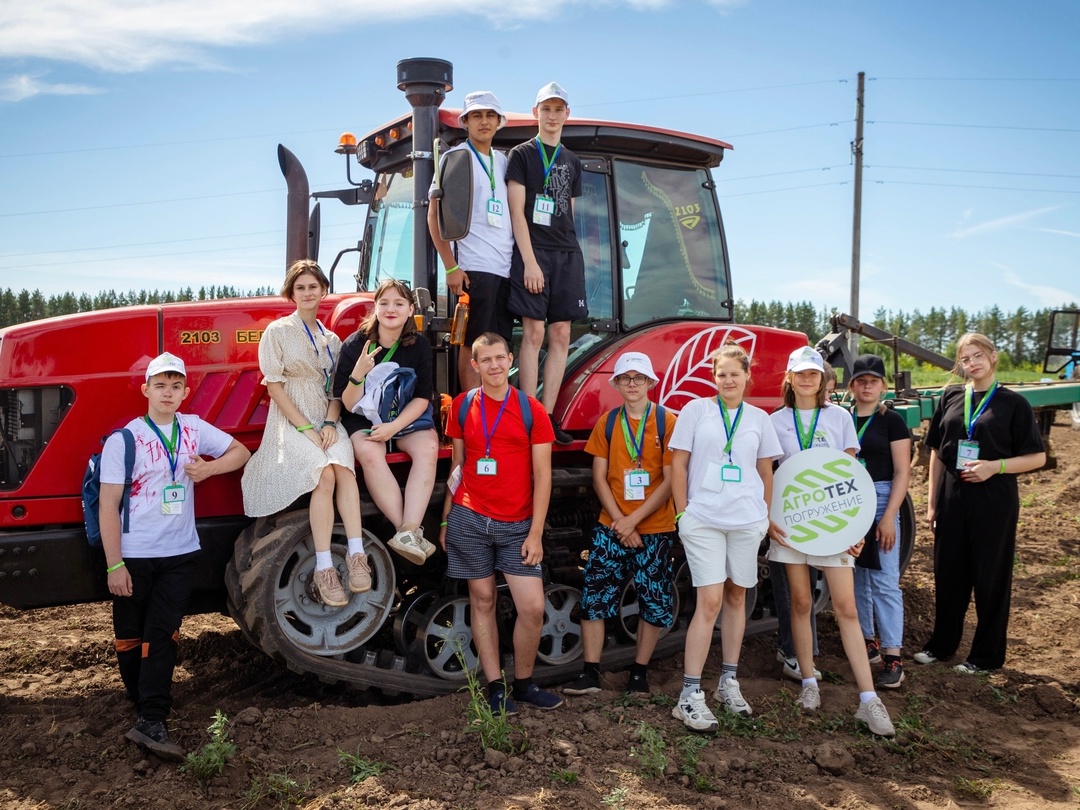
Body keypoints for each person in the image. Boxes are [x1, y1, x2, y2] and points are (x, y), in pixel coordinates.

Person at [102, 352, 250, 760]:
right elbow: (107, 504)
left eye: (176, 386)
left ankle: (152, 717)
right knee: (130, 638)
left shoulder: (193, 429)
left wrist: (211, 469)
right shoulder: (125, 440)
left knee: (162, 634)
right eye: (160, 386)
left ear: (185, 393)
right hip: (134, 556)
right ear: (146, 389)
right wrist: (115, 564)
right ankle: (141, 698)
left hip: (180, 553)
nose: (168, 393)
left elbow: (241, 452)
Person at [769, 346, 896, 737]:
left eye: (814, 374)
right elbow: (768, 474)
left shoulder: (839, 417)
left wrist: (856, 528)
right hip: (792, 524)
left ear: (824, 380)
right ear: (789, 378)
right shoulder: (774, 421)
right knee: (801, 602)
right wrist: (770, 519)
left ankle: (869, 699)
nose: (807, 380)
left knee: (846, 608)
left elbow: (852, 475)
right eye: (800, 373)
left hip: (834, 525)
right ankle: (809, 684)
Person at [440, 332, 563, 714]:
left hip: (517, 525)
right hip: (470, 518)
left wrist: (536, 532)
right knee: (483, 600)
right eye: (485, 360)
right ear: (474, 366)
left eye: (499, 357)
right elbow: (457, 468)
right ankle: (496, 687)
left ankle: (524, 683)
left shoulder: (532, 410)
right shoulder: (461, 406)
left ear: (511, 359)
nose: (494, 365)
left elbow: (543, 476)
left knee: (532, 607)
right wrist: (446, 519)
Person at [669, 344, 783, 732]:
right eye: (721, 374)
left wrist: (764, 515)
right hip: (703, 518)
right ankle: (688, 694)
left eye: (735, 373)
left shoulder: (758, 418)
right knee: (710, 598)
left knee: (738, 595)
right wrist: (683, 513)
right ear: (713, 377)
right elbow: (678, 464)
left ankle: (728, 682)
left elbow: (765, 471)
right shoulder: (695, 411)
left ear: (747, 376)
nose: (728, 380)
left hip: (746, 520)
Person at [242, 259, 368, 607]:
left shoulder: (332, 339)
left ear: (323, 291)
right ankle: (324, 568)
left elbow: (335, 390)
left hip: (324, 416)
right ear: (291, 293)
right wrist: (306, 429)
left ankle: (358, 557)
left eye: (314, 286)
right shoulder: (277, 332)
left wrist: (329, 423)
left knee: (345, 468)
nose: (308, 292)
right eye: (301, 288)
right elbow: (275, 388)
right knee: (324, 473)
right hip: (291, 419)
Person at [916, 334, 1045, 673]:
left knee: (990, 577)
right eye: (965, 359)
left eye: (977, 356)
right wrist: (932, 503)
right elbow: (937, 453)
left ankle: (985, 657)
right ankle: (941, 646)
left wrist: (994, 467)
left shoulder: (1013, 403)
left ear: (992, 357)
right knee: (948, 575)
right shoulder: (951, 397)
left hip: (993, 499)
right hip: (952, 498)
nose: (972, 363)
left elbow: (1037, 457)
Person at [563, 352, 677, 698]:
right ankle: (590, 672)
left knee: (653, 601)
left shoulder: (668, 421)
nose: (632, 384)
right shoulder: (608, 422)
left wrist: (632, 522)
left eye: (638, 378)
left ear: (649, 383)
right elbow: (599, 478)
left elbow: (670, 481)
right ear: (617, 384)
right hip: (611, 527)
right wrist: (619, 522)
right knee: (595, 597)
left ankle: (639, 674)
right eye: (625, 378)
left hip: (653, 529)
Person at [335, 278, 438, 566]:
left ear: (409, 310)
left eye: (399, 303)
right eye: (384, 303)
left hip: (402, 415)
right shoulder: (356, 344)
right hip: (363, 417)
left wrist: (393, 427)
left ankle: (409, 530)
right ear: (375, 308)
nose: (391, 309)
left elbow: (421, 397)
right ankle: (404, 530)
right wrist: (358, 373)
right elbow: (346, 402)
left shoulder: (418, 346)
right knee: (368, 452)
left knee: (428, 449)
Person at [506, 81, 586, 445]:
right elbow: (517, 214)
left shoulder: (572, 161)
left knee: (561, 334)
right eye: (546, 109)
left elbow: (568, 212)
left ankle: (548, 417)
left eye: (559, 109)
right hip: (534, 253)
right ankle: (527, 415)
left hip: (566, 255)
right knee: (533, 332)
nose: (552, 115)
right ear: (535, 113)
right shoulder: (521, 155)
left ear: (566, 114)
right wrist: (529, 262)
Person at [428, 90, 515, 390]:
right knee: (472, 344)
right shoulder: (453, 159)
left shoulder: (504, 162)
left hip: (506, 270)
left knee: (498, 346)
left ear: (499, 121)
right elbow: (433, 216)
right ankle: (471, 412)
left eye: (490, 115)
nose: (484, 121)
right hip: (473, 268)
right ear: (465, 121)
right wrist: (451, 267)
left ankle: (494, 411)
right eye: (477, 115)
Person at [848, 354, 912, 689]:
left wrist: (889, 517)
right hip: (849, 499)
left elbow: (903, 472)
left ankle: (892, 655)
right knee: (857, 574)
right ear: (852, 385)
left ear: (883, 385)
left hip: (883, 497)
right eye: (861, 380)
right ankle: (866, 638)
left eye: (873, 380)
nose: (867, 385)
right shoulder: (842, 418)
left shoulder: (893, 421)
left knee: (885, 579)